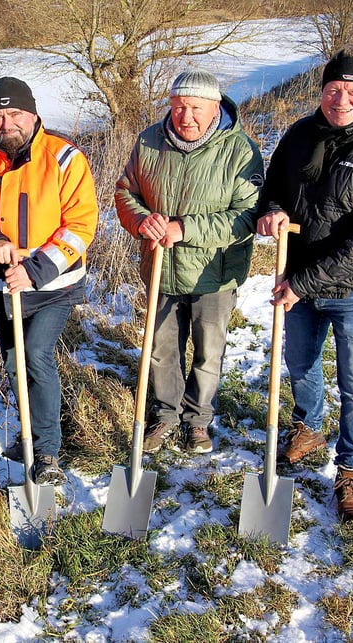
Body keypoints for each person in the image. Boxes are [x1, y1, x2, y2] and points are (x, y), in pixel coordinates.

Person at [255, 46, 353, 522]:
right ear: (321, 91)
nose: (341, 100)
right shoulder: (300, 135)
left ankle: (351, 467)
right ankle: (307, 427)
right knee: (301, 365)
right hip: (300, 279)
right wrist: (272, 211)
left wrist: (301, 282)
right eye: (332, 90)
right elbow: (274, 188)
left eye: (352, 91)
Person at [0, 77, 98, 485]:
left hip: (53, 285)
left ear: (32, 114)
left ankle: (47, 450)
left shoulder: (64, 157)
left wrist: (35, 268)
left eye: (14, 113)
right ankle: (28, 432)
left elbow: (81, 225)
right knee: (13, 364)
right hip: (1, 286)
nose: (6, 122)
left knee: (35, 355)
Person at [115, 69, 264, 455]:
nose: (186, 117)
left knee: (207, 350)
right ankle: (165, 415)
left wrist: (186, 229)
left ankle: (198, 419)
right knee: (161, 349)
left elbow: (247, 216)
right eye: (179, 107)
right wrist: (139, 220)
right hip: (161, 267)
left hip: (214, 273)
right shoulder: (149, 141)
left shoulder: (241, 151)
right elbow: (125, 192)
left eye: (196, 108)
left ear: (215, 108)